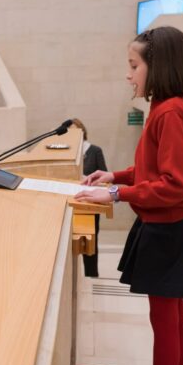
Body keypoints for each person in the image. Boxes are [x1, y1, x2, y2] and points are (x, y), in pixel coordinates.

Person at [74, 26, 183, 365]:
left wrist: (116, 195)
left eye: (134, 66)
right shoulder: (169, 106)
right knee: (172, 317)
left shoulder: (170, 113)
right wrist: (113, 175)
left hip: (169, 230)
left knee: (165, 320)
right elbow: (153, 170)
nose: (129, 75)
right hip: (171, 227)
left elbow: (175, 184)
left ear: (157, 66)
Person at [71, 118, 107, 278]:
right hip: (73, 202)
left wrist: (89, 179)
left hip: (90, 202)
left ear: (82, 132)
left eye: (75, 131)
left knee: (90, 241)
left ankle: (92, 275)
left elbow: (105, 176)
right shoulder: (67, 153)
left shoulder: (94, 151)